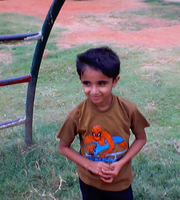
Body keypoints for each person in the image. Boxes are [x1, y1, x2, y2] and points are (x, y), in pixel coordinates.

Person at [56, 46, 150, 200]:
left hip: (120, 181)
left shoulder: (128, 109)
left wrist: (121, 163)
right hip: (89, 182)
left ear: (115, 81)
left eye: (101, 83)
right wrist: (89, 164)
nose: (94, 91)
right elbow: (63, 147)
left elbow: (141, 138)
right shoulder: (77, 114)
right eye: (87, 83)